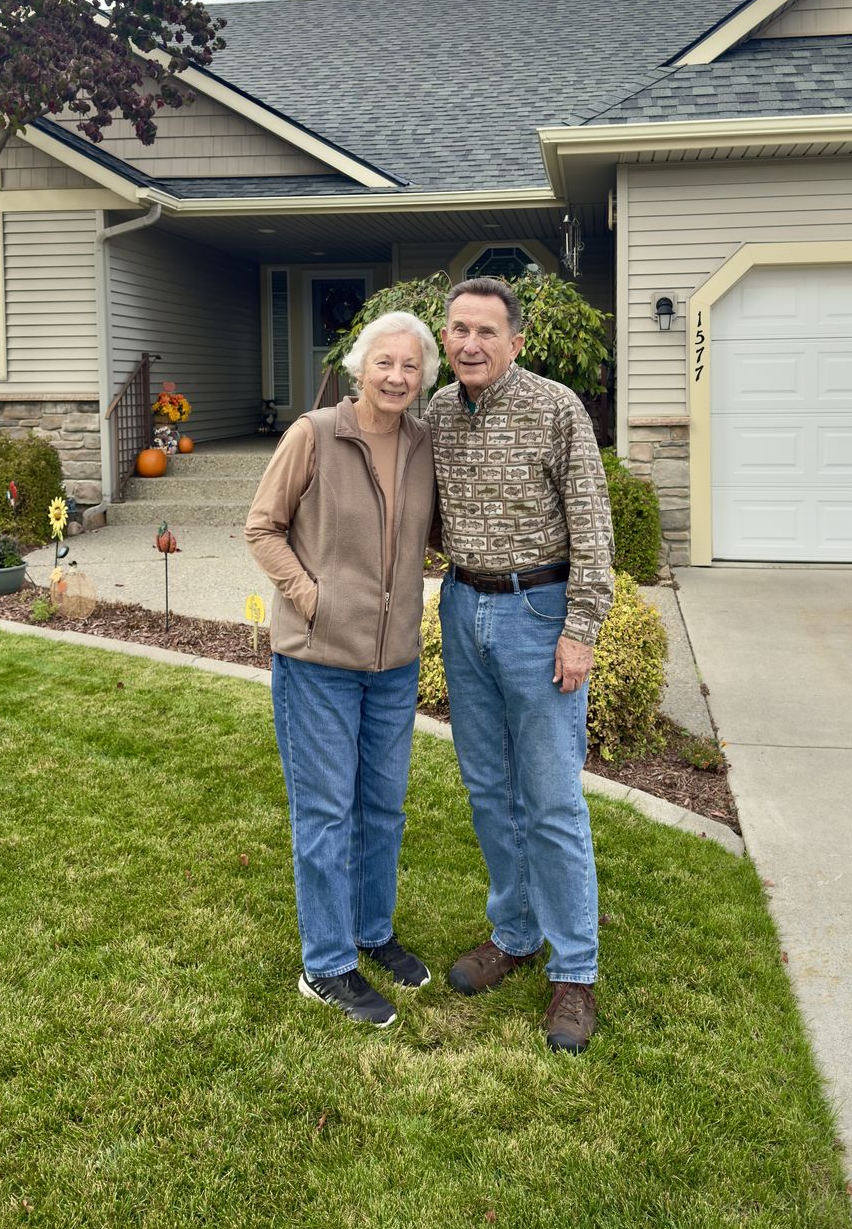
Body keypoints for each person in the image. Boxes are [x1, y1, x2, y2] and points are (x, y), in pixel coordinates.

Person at [425, 276, 614, 1055]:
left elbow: (593, 526)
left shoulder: (556, 408)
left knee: (551, 798)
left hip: (539, 615)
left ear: (517, 342)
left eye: (486, 333)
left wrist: (582, 628)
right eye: (458, 330)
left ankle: (575, 969)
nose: (470, 344)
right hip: (463, 610)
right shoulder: (436, 411)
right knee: (487, 791)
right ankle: (515, 933)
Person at [245, 311, 439, 1028]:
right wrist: (311, 598)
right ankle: (325, 964)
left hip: (393, 662)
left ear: (424, 377)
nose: (396, 377)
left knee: (383, 807)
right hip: (319, 660)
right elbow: (262, 527)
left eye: (410, 367)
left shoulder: (423, 443)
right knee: (326, 813)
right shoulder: (315, 435)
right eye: (384, 363)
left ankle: (371, 931)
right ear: (362, 367)